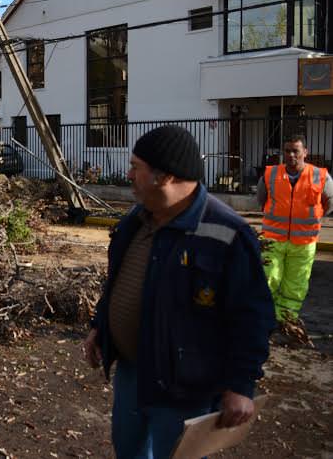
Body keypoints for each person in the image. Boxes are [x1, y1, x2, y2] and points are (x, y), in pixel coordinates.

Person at [82, 125, 274, 458]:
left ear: (165, 176)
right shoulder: (136, 221)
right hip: (132, 373)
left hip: (185, 388)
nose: (129, 175)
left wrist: (241, 386)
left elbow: (252, 318)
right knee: (128, 450)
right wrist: (100, 325)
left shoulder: (227, 233)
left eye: (136, 167)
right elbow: (118, 281)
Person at [257, 134, 332, 322]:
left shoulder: (320, 176)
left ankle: (285, 320)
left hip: (304, 242)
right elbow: (261, 199)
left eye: (295, 151)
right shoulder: (270, 174)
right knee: (267, 279)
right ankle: (264, 318)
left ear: (305, 152)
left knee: (295, 285)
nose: (291, 155)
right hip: (272, 239)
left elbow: (329, 203)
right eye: (287, 151)